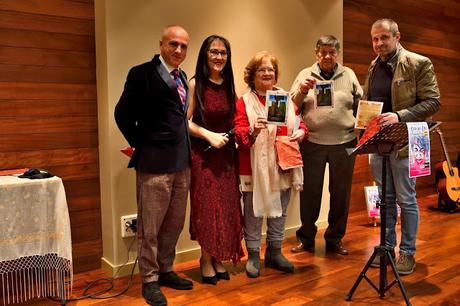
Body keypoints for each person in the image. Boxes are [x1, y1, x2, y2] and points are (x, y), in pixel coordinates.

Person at [114, 25, 193, 306]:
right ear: (161, 44)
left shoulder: (183, 77)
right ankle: (149, 279)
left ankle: (166, 269)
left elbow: (180, 118)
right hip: (154, 164)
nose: (178, 50)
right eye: (173, 44)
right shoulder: (141, 74)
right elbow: (122, 113)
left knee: (173, 224)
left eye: (184, 46)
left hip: (182, 164)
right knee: (150, 226)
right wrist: (142, 143)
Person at [365, 19, 440, 274]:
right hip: (379, 144)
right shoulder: (373, 66)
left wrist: (401, 115)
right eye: (375, 38)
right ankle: (386, 249)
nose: (379, 43)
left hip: (409, 141)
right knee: (385, 200)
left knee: (406, 199)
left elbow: (433, 102)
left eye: (384, 37)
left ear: (398, 36)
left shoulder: (419, 63)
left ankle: (407, 253)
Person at [234, 51, 307, 278]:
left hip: (282, 164)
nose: (267, 73)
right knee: (253, 212)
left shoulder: (284, 98)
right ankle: (254, 254)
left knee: (280, 212)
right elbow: (238, 133)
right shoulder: (243, 102)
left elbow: (299, 122)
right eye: (261, 69)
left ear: (276, 75)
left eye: (271, 69)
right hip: (252, 167)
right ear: (252, 75)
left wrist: (302, 133)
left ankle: (275, 252)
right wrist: (253, 131)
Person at [289, 35, 363, 256]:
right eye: (323, 52)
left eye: (332, 52)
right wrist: (302, 90)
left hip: (344, 142)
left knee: (341, 193)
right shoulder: (304, 74)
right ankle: (306, 239)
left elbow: (362, 103)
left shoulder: (348, 74)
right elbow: (290, 107)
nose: (327, 56)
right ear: (316, 53)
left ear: (337, 53)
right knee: (310, 192)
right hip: (312, 143)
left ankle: (334, 239)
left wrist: (362, 130)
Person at [187, 35, 244, 285]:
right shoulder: (194, 84)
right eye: (214, 52)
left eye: (223, 53)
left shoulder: (230, 86)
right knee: (207, 208)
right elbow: (184, 122)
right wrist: (208, 135)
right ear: (205, 54)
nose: (219, 57)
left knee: (227, 207)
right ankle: (205, 259)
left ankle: (219, 256)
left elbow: (234, 120)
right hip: (203, 156)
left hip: (227, 156)